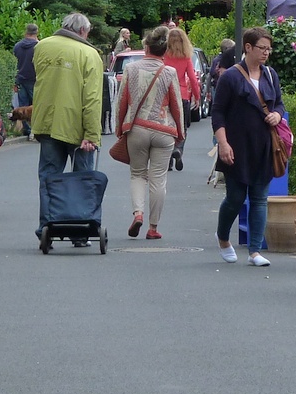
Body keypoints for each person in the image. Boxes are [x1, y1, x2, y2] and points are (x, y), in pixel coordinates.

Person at [212, 26, 289, 266]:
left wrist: (277, 115)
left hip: (264, 146)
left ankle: (255, 250)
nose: (266, 52)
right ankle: (223, 237)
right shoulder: (230, 77)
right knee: (235, 198)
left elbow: (279, 104)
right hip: (236, 146)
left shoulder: (270, 75)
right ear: (248, 47)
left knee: (259, 198)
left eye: (269, 49)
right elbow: (218, 113)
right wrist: (223, 143)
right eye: (262, 48)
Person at [30, 12, 103, 238]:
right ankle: (79, 231)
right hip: (77, 127)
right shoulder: (89, 54)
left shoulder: (41, 47)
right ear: (82, 31)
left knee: (49, 177)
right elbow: (92, 98)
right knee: (82, 178)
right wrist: (92, 134)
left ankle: (46, 225)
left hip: (47, 122)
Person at [115, 26, 185, 239]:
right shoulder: (169, 72)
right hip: (164, 130)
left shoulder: (131, 69)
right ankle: (153, 227)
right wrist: (180, 132)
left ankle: (138, 213)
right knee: (158, 179)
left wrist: (120, 127)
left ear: (146, 47)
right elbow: (176, 105)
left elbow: (122, 101)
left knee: (138, 174)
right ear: (165, 51)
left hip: (137, 128)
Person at [163, 26, 203, 171]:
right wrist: (197, 97)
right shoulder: (186, 58)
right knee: (182, 127)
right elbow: (192, 78)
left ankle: (167, 160)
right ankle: (178, 149)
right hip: (182, 95)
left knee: (167, 127)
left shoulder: (164, 56)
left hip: (166, 95)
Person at [13, 22, 39, 138]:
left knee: (22, 107)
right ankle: (36, 130)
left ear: (26, 32)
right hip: (34, 80)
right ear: (36, 32)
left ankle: (27, 130)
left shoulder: (17, 46)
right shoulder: (38, 47)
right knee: (37, 106)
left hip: (20, 79)